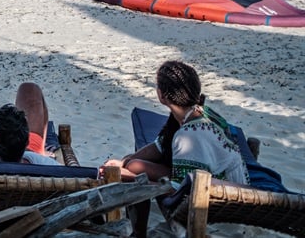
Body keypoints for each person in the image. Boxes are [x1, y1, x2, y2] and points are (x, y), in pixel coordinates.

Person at [102, 60, 249, 236]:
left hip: (216, 210)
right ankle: (138, 230)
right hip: (210, 184)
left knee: (133, 177)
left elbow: (178, 192)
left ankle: (139, 233)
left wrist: (131, 178)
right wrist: (124, 162)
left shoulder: (189, 135)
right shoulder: (196, 112)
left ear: (161, 95)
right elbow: (159, 146)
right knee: (133, 165)